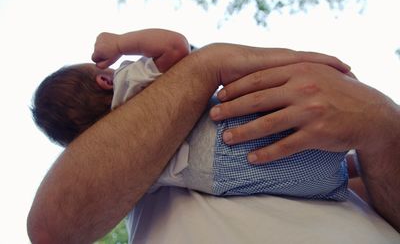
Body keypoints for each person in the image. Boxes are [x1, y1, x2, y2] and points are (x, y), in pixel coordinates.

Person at [27, 42, 400, 244]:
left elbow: (358, 189)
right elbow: (51, 231)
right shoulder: (115, 177)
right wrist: (208, 62)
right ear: (105, 81)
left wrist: (383, 126)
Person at [32, 29, 350, 201]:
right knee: (320, 139)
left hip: (223, 179)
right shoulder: (126, 86)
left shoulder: (114, 160)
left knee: (340, 183)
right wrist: (119, 43)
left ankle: (342, 177)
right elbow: (174, 46)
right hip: (228, 135)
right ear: (103, 80)